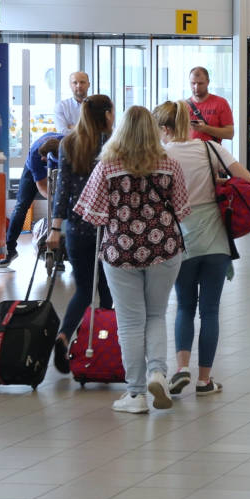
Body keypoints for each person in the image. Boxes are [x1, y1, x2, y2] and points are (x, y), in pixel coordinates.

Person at [75, 106, 190, 414]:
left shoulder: (107, 166)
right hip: (164, 247)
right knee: (156, 315)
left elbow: (91, 213)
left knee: (129, 322)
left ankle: (136, 394)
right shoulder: (169, 163)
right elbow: (181, 209)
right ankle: (157, 373)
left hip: (120, 250)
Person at [156, 100, 250, 398]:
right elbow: (246, 179)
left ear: (164, 128)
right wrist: (219, 182)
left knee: (184, 306)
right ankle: (204, 380)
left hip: (180, 240)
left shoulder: (161, 155)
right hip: (215, 241)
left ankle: (181, 368)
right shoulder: (210, 149)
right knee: (210, 310)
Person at [47, 95, 114, 373]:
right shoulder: (112, 144)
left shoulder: (68, 144)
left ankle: (64, 336)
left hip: (77, 227)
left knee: (84, 289)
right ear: (108, 115)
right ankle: (106, 347)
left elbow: (62, 189)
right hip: (108, 227)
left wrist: (55, 227)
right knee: (109, 290)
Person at [0, 130, 62, 268]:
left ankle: (60, 253)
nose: (43, 161)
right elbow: (42, 187)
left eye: (45, 159)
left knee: (62, 206)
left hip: (59, 163)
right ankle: (10, 250)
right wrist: (55, 200)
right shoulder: (36, 157)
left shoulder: (69, 148)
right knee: (21, 206)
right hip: (30, 168)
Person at [186, 67, 234, 143]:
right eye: (193, 83)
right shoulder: (183, 106)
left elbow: (230, 134)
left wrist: (205, 129)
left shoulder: (221, 103)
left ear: (208, 82)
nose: (196, 87)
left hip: (211, 152)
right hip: (189, 151)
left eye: (200, 83)